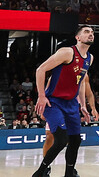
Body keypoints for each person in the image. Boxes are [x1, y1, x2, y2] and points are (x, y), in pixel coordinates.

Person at [32, 26, 94, 177]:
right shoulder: (67, 52)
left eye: (92, 32)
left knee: (76, 140)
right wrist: (41, 95)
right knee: (60, 140)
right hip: (53, 102)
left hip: (72, 103)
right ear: (77, 37)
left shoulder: (90, 58)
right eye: (87, 32)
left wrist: (83, 105)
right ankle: (40, 172)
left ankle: (69, 173)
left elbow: (79, 83)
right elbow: (40, 70)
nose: (91, 34)